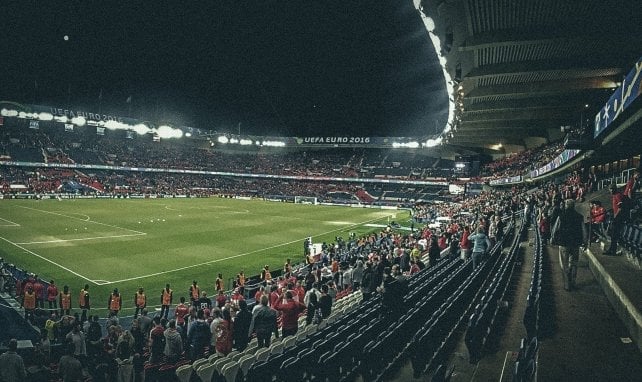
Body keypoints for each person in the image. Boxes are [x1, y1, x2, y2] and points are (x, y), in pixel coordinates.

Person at [551, 199, 585, 290]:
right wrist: (584, 242)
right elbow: (584, 231)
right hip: (575, 243)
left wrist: (553, 238)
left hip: (563, 243)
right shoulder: (579, 216)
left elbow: (555, 229)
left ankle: (567, 285)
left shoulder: (561, 216)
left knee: (564, 264)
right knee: (574, 263)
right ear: (574, 206)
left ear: (566, 205)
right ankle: (573, 282)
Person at [605, 184, 626, 256]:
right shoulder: (614, 196)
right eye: (610, 189)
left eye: (612, 189)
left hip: (618, 218)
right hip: (615, 218)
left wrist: (615, 217)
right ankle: (611, 250)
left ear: (615, 189)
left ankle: (612, 251)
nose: (610, 190)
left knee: (614, 235)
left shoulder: (618, 195)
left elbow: (620, 208)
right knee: (612, 235)